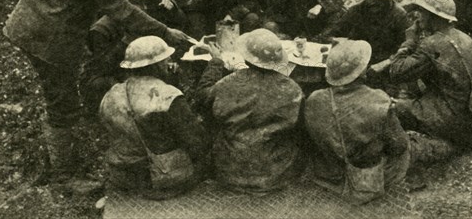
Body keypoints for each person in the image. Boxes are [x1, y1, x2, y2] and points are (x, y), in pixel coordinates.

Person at [2, 0, 190, 192]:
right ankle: (64, 177)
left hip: (27, 21)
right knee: (63, 102)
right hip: (49, 39)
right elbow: (122, 11)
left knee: (59, 96)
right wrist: (165, 31)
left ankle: (60, 158)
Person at [382, 0, 472, 164]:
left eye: (421, 12)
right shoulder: (464, 37)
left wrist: (409, 41)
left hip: (450, 119)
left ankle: (433, 144)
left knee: (391, 109)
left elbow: (396, 72)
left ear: (433, 16)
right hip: (471, 116)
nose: (417, 16)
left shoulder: (432, 43)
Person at [100, 36, 209, 199]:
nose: (169, 62)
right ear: (158, 64)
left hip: (123, 176)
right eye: (166, 59)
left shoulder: (111, 94)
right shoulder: (168, 96)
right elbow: (197, 142)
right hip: (162, 177)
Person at [197, 29, 304, 193]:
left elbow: (203, 97)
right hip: (276, 174)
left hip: (229, 171)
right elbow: (300, 130)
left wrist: (216, 62)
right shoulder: (293, 90)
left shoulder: (227, 84)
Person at [304, 40, 410, 202]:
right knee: (410, 146)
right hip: (362, 179)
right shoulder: (379, 100)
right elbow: (399, 145)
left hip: (327, 173)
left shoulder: (314, 98)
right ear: (361, 72)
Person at [79, 0, 152, 119]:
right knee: (105, 85)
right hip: (101, 75)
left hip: (128, 68)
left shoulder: (136, 23)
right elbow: (102, 65)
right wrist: (125, 42)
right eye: (140, 4)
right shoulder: (101, 29)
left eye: (145, 4)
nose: (144, 9)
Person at [323, 0, 409, 64]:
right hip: (357, 57)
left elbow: (405, 46)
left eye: (377, 0)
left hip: (384, 60)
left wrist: (386, 62)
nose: (372, 2)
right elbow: (335, 32)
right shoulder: (356, 10)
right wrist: (339, 42)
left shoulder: (398, 15)